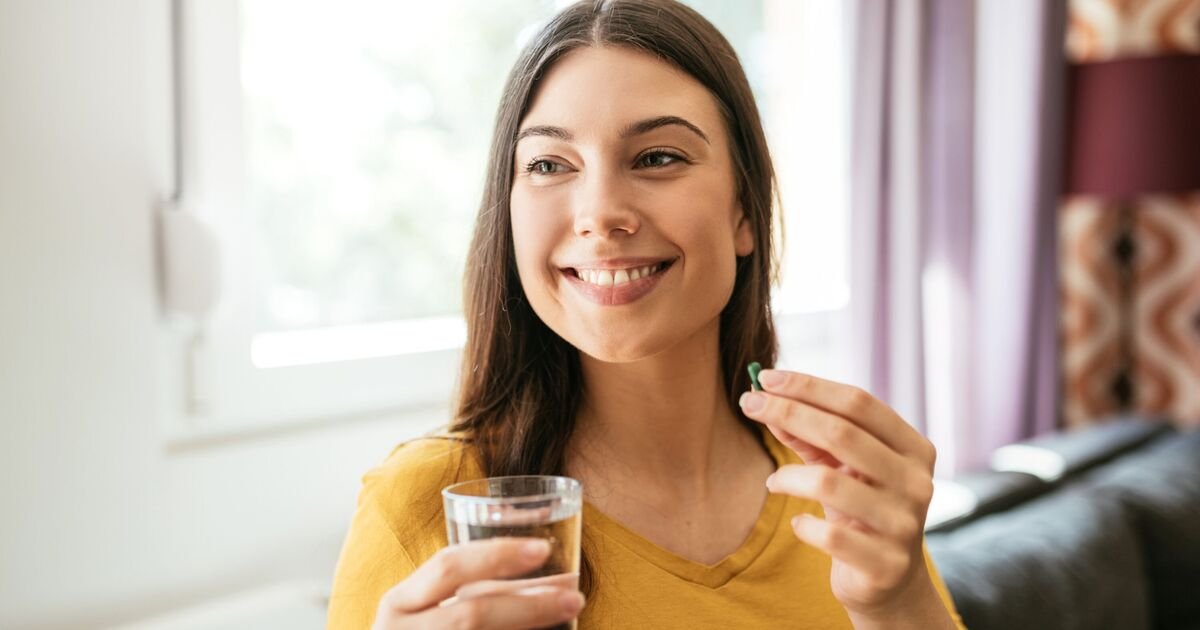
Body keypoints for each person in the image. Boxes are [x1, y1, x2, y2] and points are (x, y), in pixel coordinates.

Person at [328, 1, 966, 628]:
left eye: (658, 157)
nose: (601, 212)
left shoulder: (834, 485)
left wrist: (899, 605)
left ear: (744, 210)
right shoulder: (420, 506)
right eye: (550, 164)